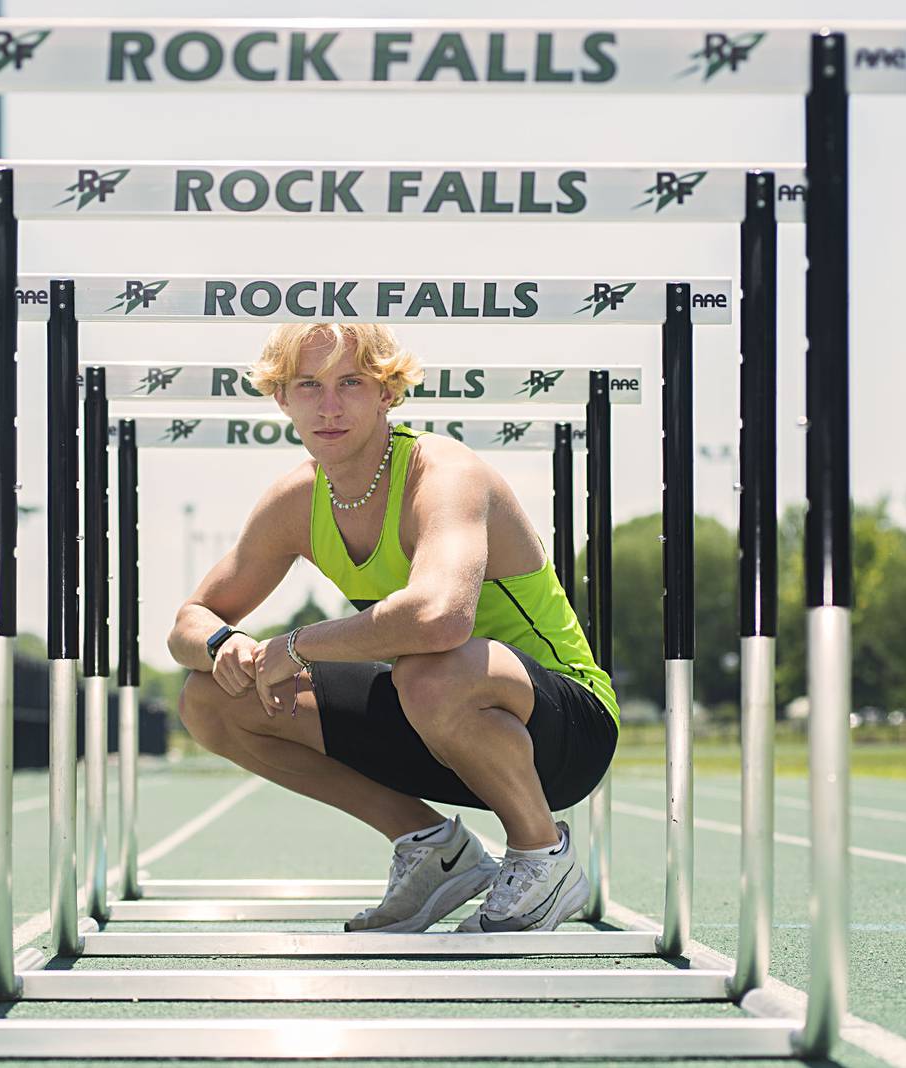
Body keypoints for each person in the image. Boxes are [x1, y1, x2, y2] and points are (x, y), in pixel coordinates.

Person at [167, 323, 619, 933]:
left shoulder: (444, 473)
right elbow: (189, 623)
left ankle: (543, 854)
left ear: (387, 394)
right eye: (309, 386)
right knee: (211, 700)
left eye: (351, 383)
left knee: (433, 667)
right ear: (282, 399)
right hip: (428, 712)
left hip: (563, 730)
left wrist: (293, 645)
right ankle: (436, 848)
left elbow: (439, 617)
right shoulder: (296, 500)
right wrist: (227, 645)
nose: (329, 406)